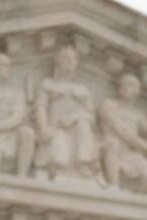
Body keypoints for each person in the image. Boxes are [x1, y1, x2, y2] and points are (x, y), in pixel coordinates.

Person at [32, 46, 99, 182]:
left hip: (78, 131)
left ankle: (83, 163)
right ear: (57, 61)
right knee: (59, 158)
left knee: (83, 125)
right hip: (55, 128)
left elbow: (91, 117)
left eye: (74, 58)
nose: (70, 61)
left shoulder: (82, 89)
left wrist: (74, 118)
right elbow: (40, 108)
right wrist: (43, 128)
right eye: (66, 57)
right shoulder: (47, 84)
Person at [99, 73, 147, 193]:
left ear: (138, 91)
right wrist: (145, 146)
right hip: (113, 149)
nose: (125, 87)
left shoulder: (139, 115)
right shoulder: (109, 104)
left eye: (130, 84)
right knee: (112, 142)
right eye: (122, 84)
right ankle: (113, 185)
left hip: (131, 154)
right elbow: (117, 128)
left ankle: (131, 196)